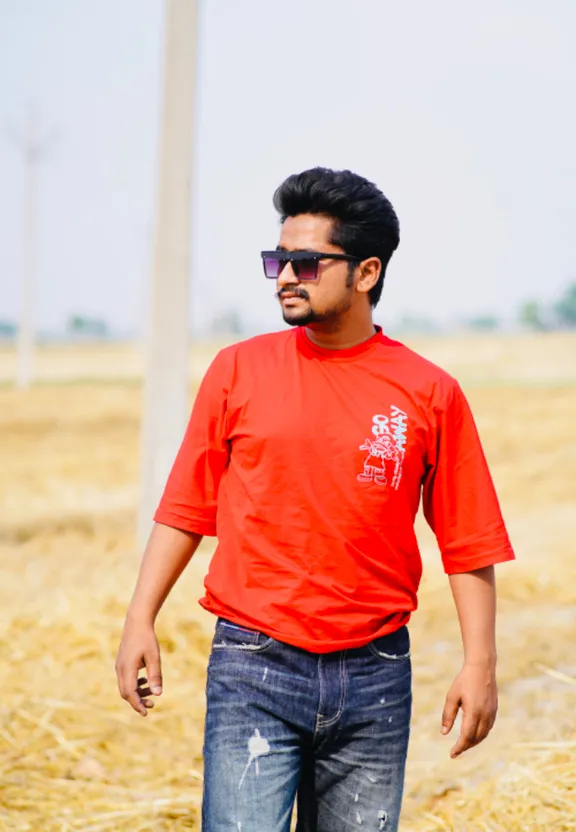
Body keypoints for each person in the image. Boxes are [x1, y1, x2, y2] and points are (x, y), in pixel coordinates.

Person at [115, 167, 515, 831]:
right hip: (254, 664)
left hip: (376, 674)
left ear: (365, 273)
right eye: (277, 259)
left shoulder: (429, 392)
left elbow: (467, 539)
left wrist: (481, 664)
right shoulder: (237, 371)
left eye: (304, 262)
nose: (283, 276)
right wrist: (139, 619)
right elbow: (186, 507)